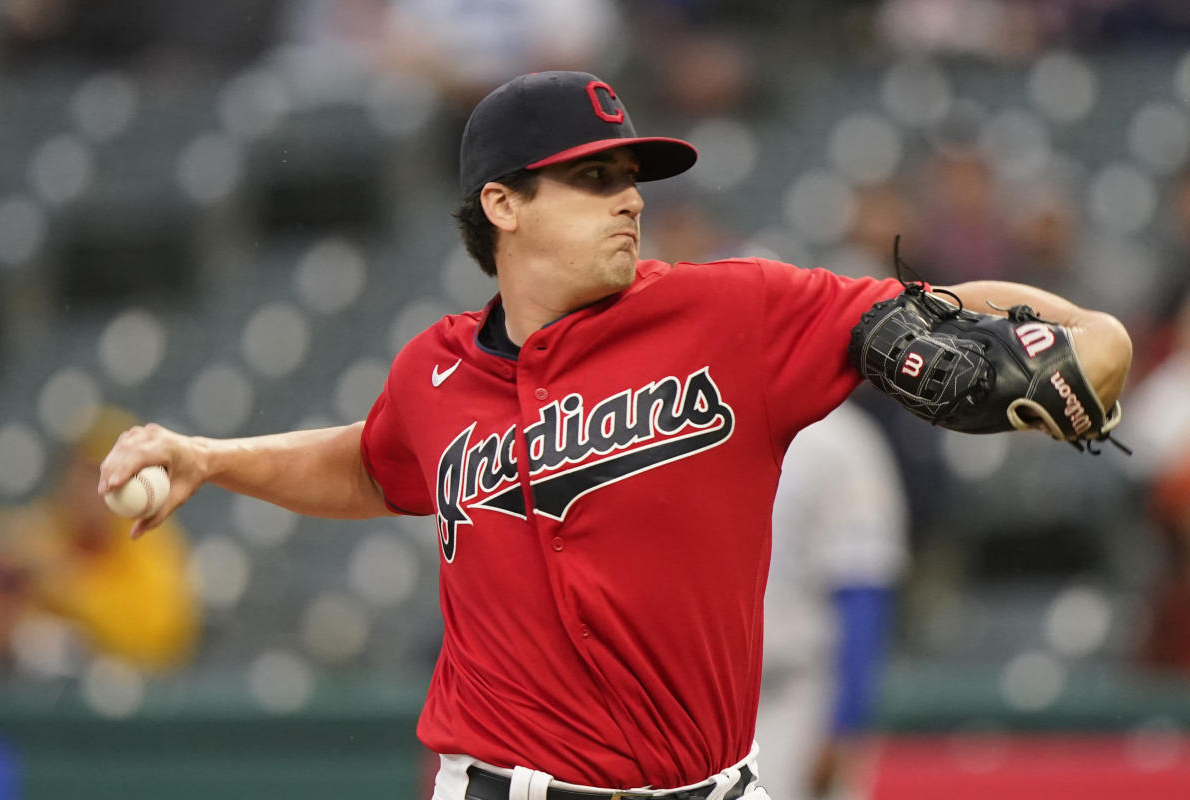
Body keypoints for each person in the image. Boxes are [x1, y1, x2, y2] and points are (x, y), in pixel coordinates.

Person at [98, 71, 1133, 798]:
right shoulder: (434, 368)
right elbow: (370, 464)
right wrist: (208, 457)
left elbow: (930, 305)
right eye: (591, 179)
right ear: (499, 202)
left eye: (630, 176)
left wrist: (1091, 333)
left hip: (719, 780)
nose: (629, 198)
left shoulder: (732, 313)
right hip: (503, 785)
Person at [756, 398, 908, 800]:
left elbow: (863, 591)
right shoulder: (702, 429)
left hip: (794, 699)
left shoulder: (841, 441)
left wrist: (845, 725)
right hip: (704, 705)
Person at [0, 406, 199, 675]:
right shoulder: (42, 529)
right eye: (84, 473)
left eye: (103, 474)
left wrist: (68, 585)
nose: (91, 488)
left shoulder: (149, 536)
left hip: (132, 692)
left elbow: (159, 634)